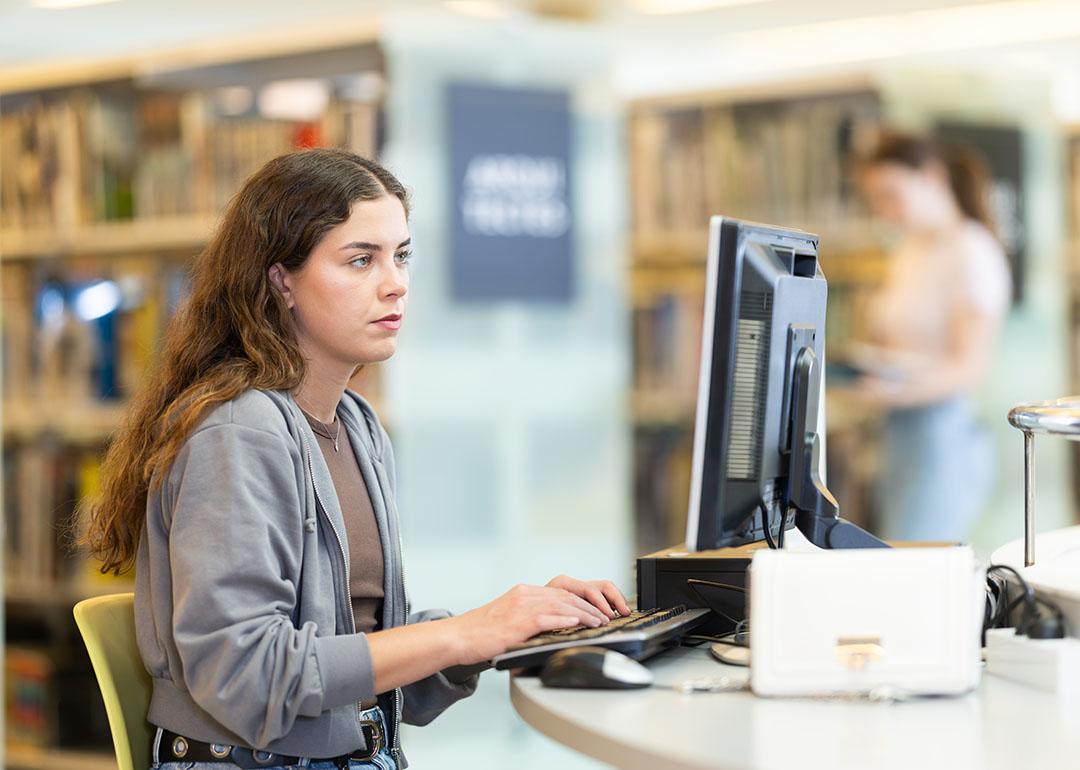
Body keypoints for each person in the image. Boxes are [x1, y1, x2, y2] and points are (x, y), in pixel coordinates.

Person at [80, 148, 631, 770]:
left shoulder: (357, 425)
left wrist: (506, 628)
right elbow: (244, 675)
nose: (394, 282)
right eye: (361, 260)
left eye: (401, 256)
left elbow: (362, 656)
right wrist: (462, 632)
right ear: (279, 279)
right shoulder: (240, 431)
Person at [852, 131, 1012, 542]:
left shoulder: (972, 252)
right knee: (894, 552)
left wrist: (891, 391)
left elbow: (968, 368)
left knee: (917, 563)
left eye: (892, 195)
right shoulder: (910, 252)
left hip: (942, 434)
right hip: (898, 429)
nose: (886, 212)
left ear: (932, 177)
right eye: (877, 201)